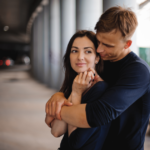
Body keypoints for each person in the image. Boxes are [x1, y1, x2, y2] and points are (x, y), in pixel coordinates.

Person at [45, 6, 150, 150]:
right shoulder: (100, 61)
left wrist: (57, 110)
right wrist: (59, 95)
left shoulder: (138, 71)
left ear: (127, 44)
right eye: (99, 41)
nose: (99, 49)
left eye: (107, 45)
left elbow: (99, 114)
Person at [45, 30, 111, 150]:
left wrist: (76, 93)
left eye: (88, 51)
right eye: (74, 51)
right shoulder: (76, 84)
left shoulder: (100, 90)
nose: (80, 57)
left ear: (97, 58)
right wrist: (69, 92)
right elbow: (56, 131)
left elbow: (75, 143)